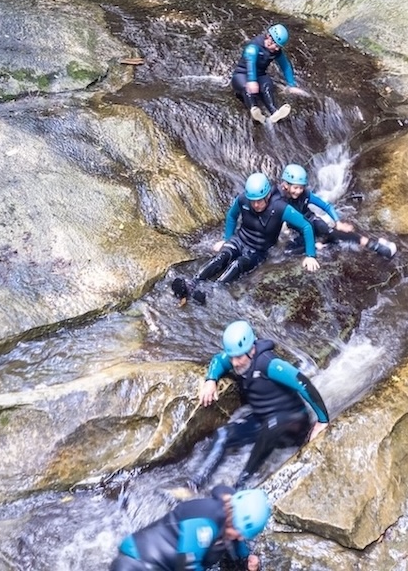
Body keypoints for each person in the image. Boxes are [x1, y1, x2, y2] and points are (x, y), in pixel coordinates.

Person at [189, 320, 330, 490]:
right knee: (223, 434)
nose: (234, 363)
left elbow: (304, 383)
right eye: (232, 357)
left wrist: (323, 420)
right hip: (264, 419)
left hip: (293, 422)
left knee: (271, 426)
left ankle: (240, 485)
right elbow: (219, 360)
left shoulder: (269, 364)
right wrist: (211, 380)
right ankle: (195, 483)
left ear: (252, 349)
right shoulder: (238, 357)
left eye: (239, 357)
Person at [171, 172, 320, 304]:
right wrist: (227, 238)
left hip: (258, 250)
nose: (256, 204)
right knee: (222, 256)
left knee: (238, 264)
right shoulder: (243, 200)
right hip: (240, 239)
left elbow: (306, 226)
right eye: (253, 200)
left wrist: (310, 255)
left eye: (260, 200)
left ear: (268, 196)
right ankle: (193, 282)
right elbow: (232, 215)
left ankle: (211, 290)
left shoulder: (280, 208)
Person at [111, 484, 271, 571]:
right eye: (239, 531)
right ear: (232, 516)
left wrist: (249, 564)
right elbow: (187, 566)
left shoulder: (232, 524)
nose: (240, 537)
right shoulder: (204, 523)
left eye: (244, 535)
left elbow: (238, 553)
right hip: (137, 563)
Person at [277, 163, 396, 259]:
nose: (298, 191)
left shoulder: (306, 194)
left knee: (331, 232)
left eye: (301, 187)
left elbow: (326, 206)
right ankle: (319, 245)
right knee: (288, 252)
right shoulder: (279, 199)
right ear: (286, 185)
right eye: (295, 188)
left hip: (311, 221)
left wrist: (338, 223)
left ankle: (374, 245)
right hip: (296, 229)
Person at [230, 24, 305, 123]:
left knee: (267, 85)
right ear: (269, 38)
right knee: (247, 88)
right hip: (242, 74)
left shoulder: (276, 51)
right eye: (276, 45)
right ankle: (254, 111)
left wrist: (291, 84)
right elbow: (250, 62)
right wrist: (252, 81)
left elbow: (285, 65)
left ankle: (274, 112)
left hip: (260, 75)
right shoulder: (254, 46)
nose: (277, 49)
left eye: (279, 46)